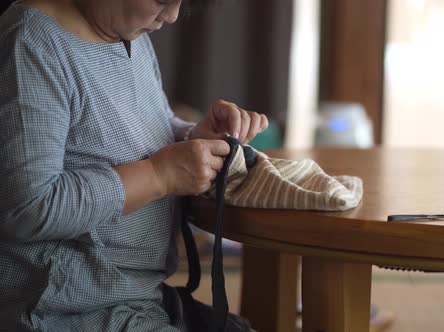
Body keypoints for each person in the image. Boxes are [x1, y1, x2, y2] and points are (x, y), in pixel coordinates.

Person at [0, 0, 268, 331]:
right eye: (162, 0)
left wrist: (192, 135)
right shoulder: (32, 43)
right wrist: (160, 175)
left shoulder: (127, 34)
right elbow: (28, 207)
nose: (171, 15)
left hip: (139, 296)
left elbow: (138, 128)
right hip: (66, 311)